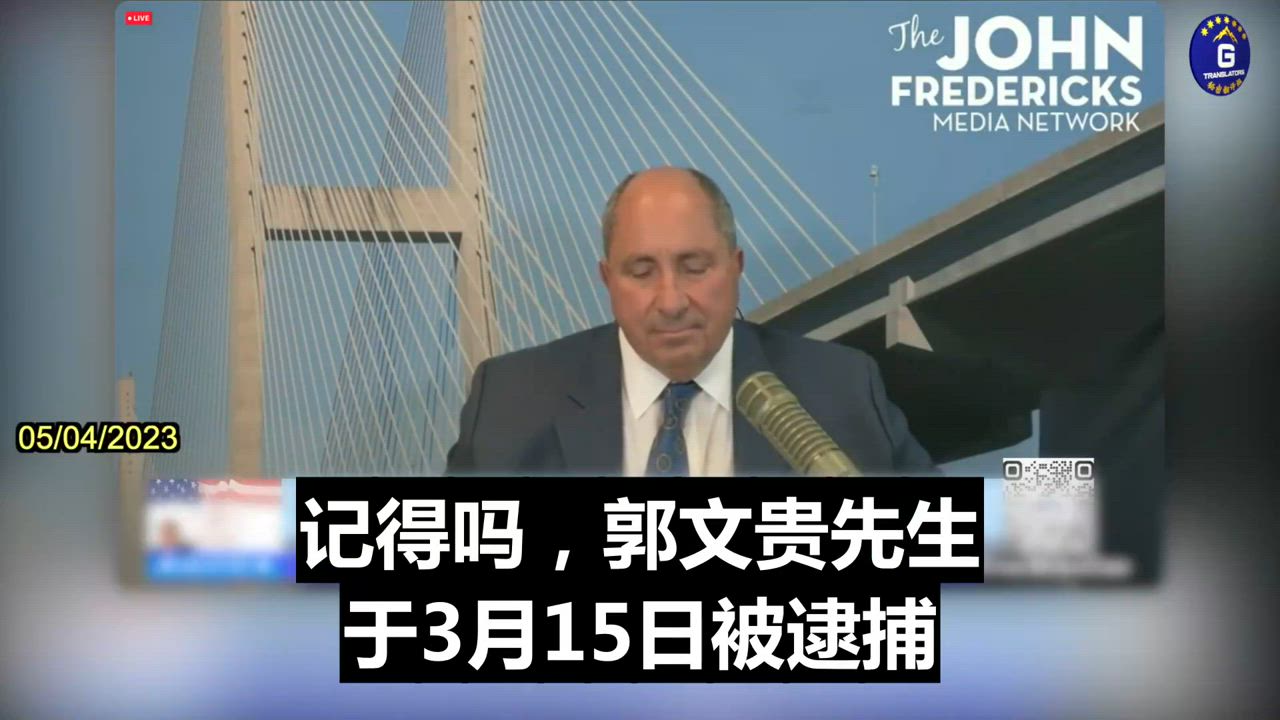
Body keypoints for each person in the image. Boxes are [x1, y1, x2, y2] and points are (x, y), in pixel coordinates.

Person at [446, 166, 934, 476]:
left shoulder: (842, 390)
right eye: (641, 272)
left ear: (736, 268)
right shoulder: (512, 403)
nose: (671, 301)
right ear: (607, 280)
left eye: (694, 268)